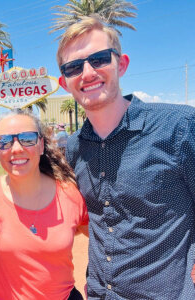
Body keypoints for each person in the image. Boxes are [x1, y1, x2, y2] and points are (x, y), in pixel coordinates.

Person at [57, 16, 195, 299]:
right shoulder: (73, 148)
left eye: (98, 59)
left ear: (121, 64)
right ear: (64, 82)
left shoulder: (179, 127)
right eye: (74, 67)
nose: (87, 73)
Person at [0, 109, 88, 300]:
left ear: (41, 145)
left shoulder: (70, 194)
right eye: (4, 142)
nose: (16, 149)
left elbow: (105, 241)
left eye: (27, 138)